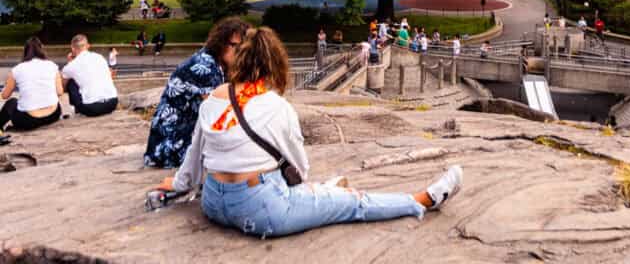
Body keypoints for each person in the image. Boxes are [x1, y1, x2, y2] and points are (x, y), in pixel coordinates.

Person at [152, 27, 464, 238]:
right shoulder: (276, 106)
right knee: (354, 203)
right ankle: (421, 200)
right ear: (274, 64)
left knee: (319, 193)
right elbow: (300, 168)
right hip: (259, 209)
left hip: (214, 204)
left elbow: (195, 157)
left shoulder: (214, 98)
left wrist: (178, 183)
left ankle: (328, 192)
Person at [144, 17, 250, 168]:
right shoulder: (204, 66)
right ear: (221, 43)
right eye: (235, 46)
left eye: (243, 48)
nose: (240, 53)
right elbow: (220, 113)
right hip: (171, 144)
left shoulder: (220, 63)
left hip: (188, 135)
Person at [0, 37, 63, 132]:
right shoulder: (52, 65)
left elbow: (5, 96)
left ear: (25, 51)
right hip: (53, 115)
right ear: (41, 49)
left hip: (28, 120)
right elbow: (59, 92)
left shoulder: (17, 69)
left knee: (12, 102)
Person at [62, 34, 119, 117]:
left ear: (72, 48)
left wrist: (70, 63)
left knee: (70, 81)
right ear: (88, 46)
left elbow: (62, 87)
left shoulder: (72, 65)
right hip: (112, 103)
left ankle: (75, 109)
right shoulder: (100, 57)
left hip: (91, 108)